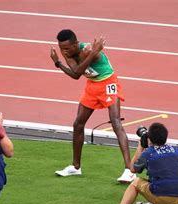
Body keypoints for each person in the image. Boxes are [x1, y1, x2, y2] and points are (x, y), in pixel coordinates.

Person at [50, 29, 134, 183]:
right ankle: (76, 167)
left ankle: (129, 170)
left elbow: (85, 63)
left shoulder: (89, 49)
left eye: (67, 48)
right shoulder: (68, 53)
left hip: (108, 82)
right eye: (61, 49)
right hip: (92, 86)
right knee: (78, 123)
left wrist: (93, 52)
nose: (64, 52)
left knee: (116, 122)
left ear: (76, 44)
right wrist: (58, 63)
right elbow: (76, 74)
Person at [102, 123, 178, 204]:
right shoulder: (177, 151)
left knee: (136, 182)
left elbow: (132, 169)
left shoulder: (149, 153)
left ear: (150, 139)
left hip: (162, 197)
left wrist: (140, 147)